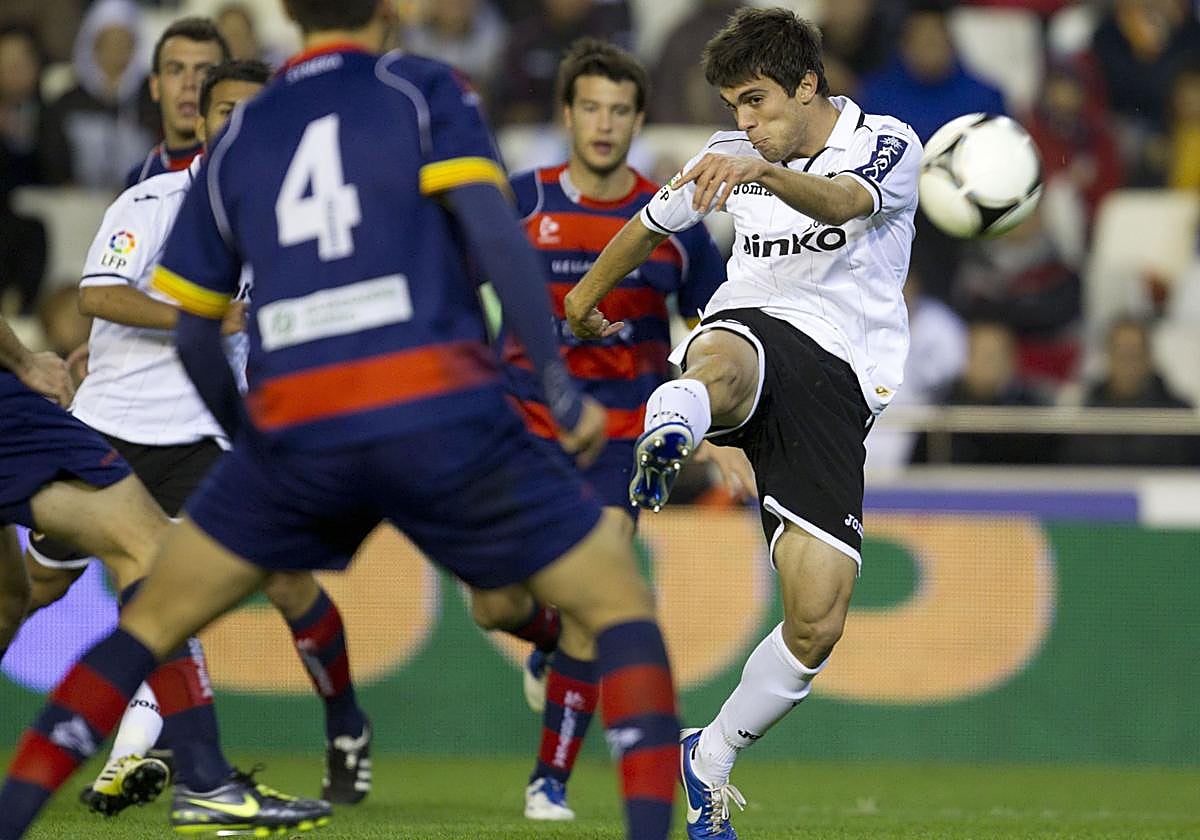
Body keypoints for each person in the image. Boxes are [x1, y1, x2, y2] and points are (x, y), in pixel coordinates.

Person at [0, 1, 681, 839]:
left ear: (286, 12)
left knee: (144, 627)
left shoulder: (243, 132)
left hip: (298, 425)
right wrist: (556, 386)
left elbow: (193, 330)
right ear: (390, 12)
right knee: (617, 604)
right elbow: (499, 242)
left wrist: (249, 448)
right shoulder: (420, 86)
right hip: (435, 407)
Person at [564, 8, 920, 838]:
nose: (744, 123)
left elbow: (840, 199)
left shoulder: (888, 144)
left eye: (756, 102)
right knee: (723, 354)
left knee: (818, 615)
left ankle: (711, 754)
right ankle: (675, 429)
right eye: (733, 107)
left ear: (807, 85)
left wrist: (758, 172)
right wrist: (583, 298)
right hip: (753, 335)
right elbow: (650, 226)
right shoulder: (728, 154)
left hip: (838, 382)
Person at [23, 58, 372, 815]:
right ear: (201, 124)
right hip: (112, 428)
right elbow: (97, 293)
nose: (237, 127)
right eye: (224, 113)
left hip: (205, 439)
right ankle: (160, 759)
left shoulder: (289, 223)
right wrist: (205, 315)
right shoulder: (154, 200)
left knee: (183, 592)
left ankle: (157, 758)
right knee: (35, 589)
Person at [465, 37, 742, 822]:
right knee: (492, 604)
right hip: (521, 427)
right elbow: (456, 293)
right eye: (590, 107)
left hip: (621, 439)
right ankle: (545, 636)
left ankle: (548, 780)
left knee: (599, 596)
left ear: (638, 119)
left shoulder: (676, 220)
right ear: (566, 115)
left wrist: (718, 426)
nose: (604, 123)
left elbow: (715, 324)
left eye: (620, 110)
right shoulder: (522, 201)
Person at [0, 313, 331, 835]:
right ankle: (202, 780)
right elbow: (104, 290)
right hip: (129, 422)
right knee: (157, 568)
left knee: (11, 599)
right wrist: (23, 360)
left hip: (179, 430)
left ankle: (158, 764)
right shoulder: (199, 231)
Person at [127, 17, 230, 187]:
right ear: (154, 86)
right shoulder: (138, 180)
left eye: (204, 71)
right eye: (175, 70)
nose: (189, 83)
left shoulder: (242, 171)